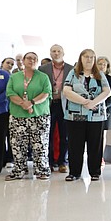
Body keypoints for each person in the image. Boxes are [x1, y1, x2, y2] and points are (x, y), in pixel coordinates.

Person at [62, 49, 110, 181]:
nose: (89, 59)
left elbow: (107, 92)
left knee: (95, 145)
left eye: (92, 57)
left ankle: (95, 172)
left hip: (96, 115)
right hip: (75, 115)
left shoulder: (99, 74)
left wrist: (92, 103)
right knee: (75, 145)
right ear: (81, 58)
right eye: (86, 57)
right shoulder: (73, 73)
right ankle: (74, 173)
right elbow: (66, 91)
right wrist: (84, 102)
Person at [5, 52, 52, 181]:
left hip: (39, 115)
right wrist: (23, 104)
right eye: (29, 58)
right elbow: (10, 92)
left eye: (34, 58)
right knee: (18, 144)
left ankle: (42, 170)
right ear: (23, 61)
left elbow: (46, 93)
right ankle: (19, 170)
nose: (31, 60)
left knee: (40, 144)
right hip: (17, 116)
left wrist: (31, 103)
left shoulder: (43, 77)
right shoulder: (14, 77)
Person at [39, 45, 73, 174]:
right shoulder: (43, 69)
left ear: (63, 53)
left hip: (64, 105)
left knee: (65, 135)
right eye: (54, 51)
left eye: (59, 51)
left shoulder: (71, 68)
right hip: (48, 104)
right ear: (50, 53)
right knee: (48, 134)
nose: (56, 53)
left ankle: (63, 162)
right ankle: (49, 162)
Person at [96, 56, 111, 164]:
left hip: (108, 109)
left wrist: (104, 105)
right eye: (100, 64)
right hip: (94, 109)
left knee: (103, 134)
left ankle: (101, 158)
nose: (102, 66)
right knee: (95, 133)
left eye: (104, 64)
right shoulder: (93, 78)